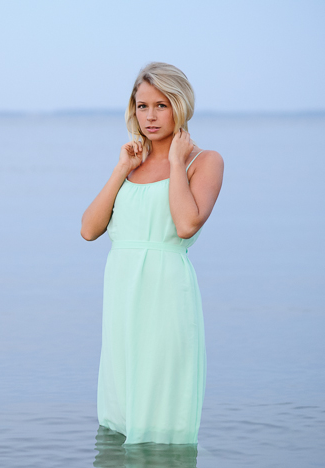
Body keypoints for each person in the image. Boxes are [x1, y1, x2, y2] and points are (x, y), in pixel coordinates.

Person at [81, 62, 224, 444]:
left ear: (180, 105)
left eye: (161, 105)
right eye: (142, 106)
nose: (150, 116)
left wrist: (176, 161)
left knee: (163, 403)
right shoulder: (132, 162)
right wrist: (120, 169)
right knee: (121, 405)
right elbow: (89, 230)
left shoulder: (204, 161)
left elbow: (185, 225)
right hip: (122, 294)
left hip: (165, 291)